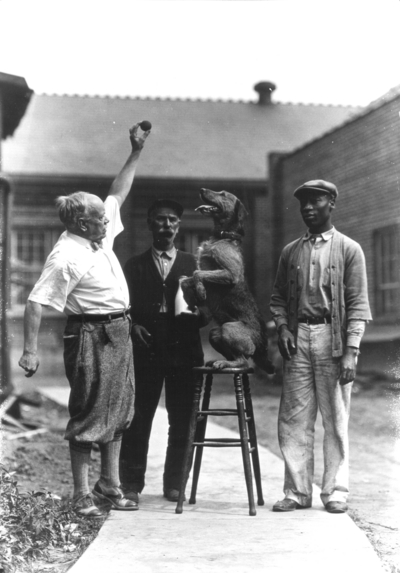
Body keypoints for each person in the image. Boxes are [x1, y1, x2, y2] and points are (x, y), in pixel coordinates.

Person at [18, 122, 150, 518]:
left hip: (119, 330)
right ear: (80, 224)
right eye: (100, 220)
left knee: (120, 411)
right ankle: (81, 495)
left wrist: (136, 151)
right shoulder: (66, 257)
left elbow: (117, 193)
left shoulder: (97, 234)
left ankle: (109, 487)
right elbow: (36, 301)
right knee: (89, 413)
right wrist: (29, 351)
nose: (108, 222)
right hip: (90, 335)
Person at [269, 179, 372, 514]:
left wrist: (351, 351)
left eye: (316, 202)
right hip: (299, 338)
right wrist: (283, 327)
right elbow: (277, 298)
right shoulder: (291, 251)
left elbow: (357, 305)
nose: (309, 209)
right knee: (293, 418)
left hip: (334, 338)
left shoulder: (349, 249)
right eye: (304, 204)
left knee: (335, 417)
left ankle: (336, 491)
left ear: (332, 203)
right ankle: (297, 492)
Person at [119, 198, 209, 503]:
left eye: (172, 220)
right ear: (149, 224)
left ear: (179, 226)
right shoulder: (134, 265)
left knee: (183, 418)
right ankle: (131, 483)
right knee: (138, 417)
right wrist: (132, 327)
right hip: (146, 351)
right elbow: (122, 309)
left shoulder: (194, 265)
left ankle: (175, 484)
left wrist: (199, 316)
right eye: (159, 219)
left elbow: (210, 309)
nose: (166, 225)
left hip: (184, 350)